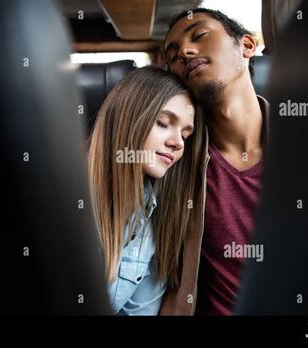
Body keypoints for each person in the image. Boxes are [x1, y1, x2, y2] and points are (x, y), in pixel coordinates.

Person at [160, 8, 270, 315]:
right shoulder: (170, 161)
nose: (184, 51)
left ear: (247, 46)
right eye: (172, 55)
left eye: (199, 35)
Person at [88, 65, 204, 315]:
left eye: (186, 134)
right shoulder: (65, 192)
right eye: (163, 123)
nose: (177, 143)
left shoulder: (157, 215)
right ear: (127, 117)